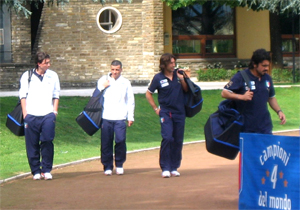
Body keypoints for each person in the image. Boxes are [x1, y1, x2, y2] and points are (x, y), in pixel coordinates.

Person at [221, 48, 286, 134]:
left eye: (268, 65)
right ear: (254, 64)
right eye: (263, 66)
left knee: (266, 147)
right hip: (246, 127)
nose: (266, 68)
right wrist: (242, 97)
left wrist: (279, 111)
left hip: (265, 126)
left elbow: (271, 98)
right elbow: (224, 93)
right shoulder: (241, 76)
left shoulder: (267, 78)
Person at [146, 53, 188, 178]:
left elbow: (186, 90)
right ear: (164, 65)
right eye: (171, 63)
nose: (173, 65)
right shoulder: (158, 78)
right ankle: (165, 167)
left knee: (178, 140)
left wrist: (182, 78)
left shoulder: (178, 74)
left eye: (174, 62)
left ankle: (174, 167)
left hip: (180, 112)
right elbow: (148, 94)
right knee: (168, 138)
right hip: (166, 112)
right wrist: (155, 108)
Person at [20, 52, 60, 180]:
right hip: (31, 115)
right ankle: (36, 171)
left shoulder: (53, 76)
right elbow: (23, 96)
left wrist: (54, 112)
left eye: (49, 62)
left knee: (47, 140)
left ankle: (46, 169)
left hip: (48, 114)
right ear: (38, 64)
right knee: (32, 144)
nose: (49, 64)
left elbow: (56, 94)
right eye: (46, 63)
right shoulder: (27, 76)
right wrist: (25, 114)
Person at [97, 60, 135, 176]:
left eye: (117, 70)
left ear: (121, 70)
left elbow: (130, 100)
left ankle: (119, 164)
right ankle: (107, 166)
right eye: (113, 69)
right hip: (106, 117)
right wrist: (103, 86)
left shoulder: (125, 82)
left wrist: (130, 116)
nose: (114, 72)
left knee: (120, 140)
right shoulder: (103, 80)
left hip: (120, 117)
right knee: (106, 143)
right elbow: (95, 94)